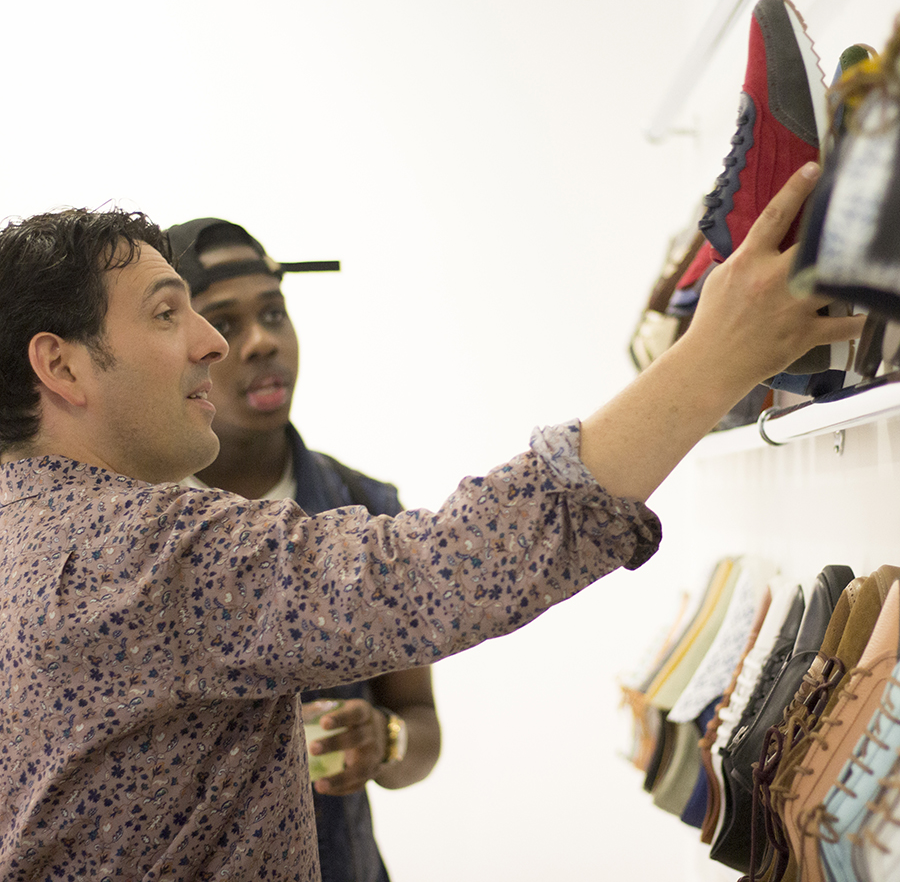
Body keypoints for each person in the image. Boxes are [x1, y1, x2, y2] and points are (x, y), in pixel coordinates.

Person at [0, 164, 864, 882]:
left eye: (255, 311)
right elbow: (450, 565)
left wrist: (385, 741)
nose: (219, 345)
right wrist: (714, 356)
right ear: (62, 365)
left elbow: (415, 711)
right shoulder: (150, 553)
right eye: (169, 313)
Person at [165, 215, 441, 882]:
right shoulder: (131, 526)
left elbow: (421, 726)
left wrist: (384, 743)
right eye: (225, 323)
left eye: (274, 313)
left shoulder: (365, 511)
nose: (262, 342)